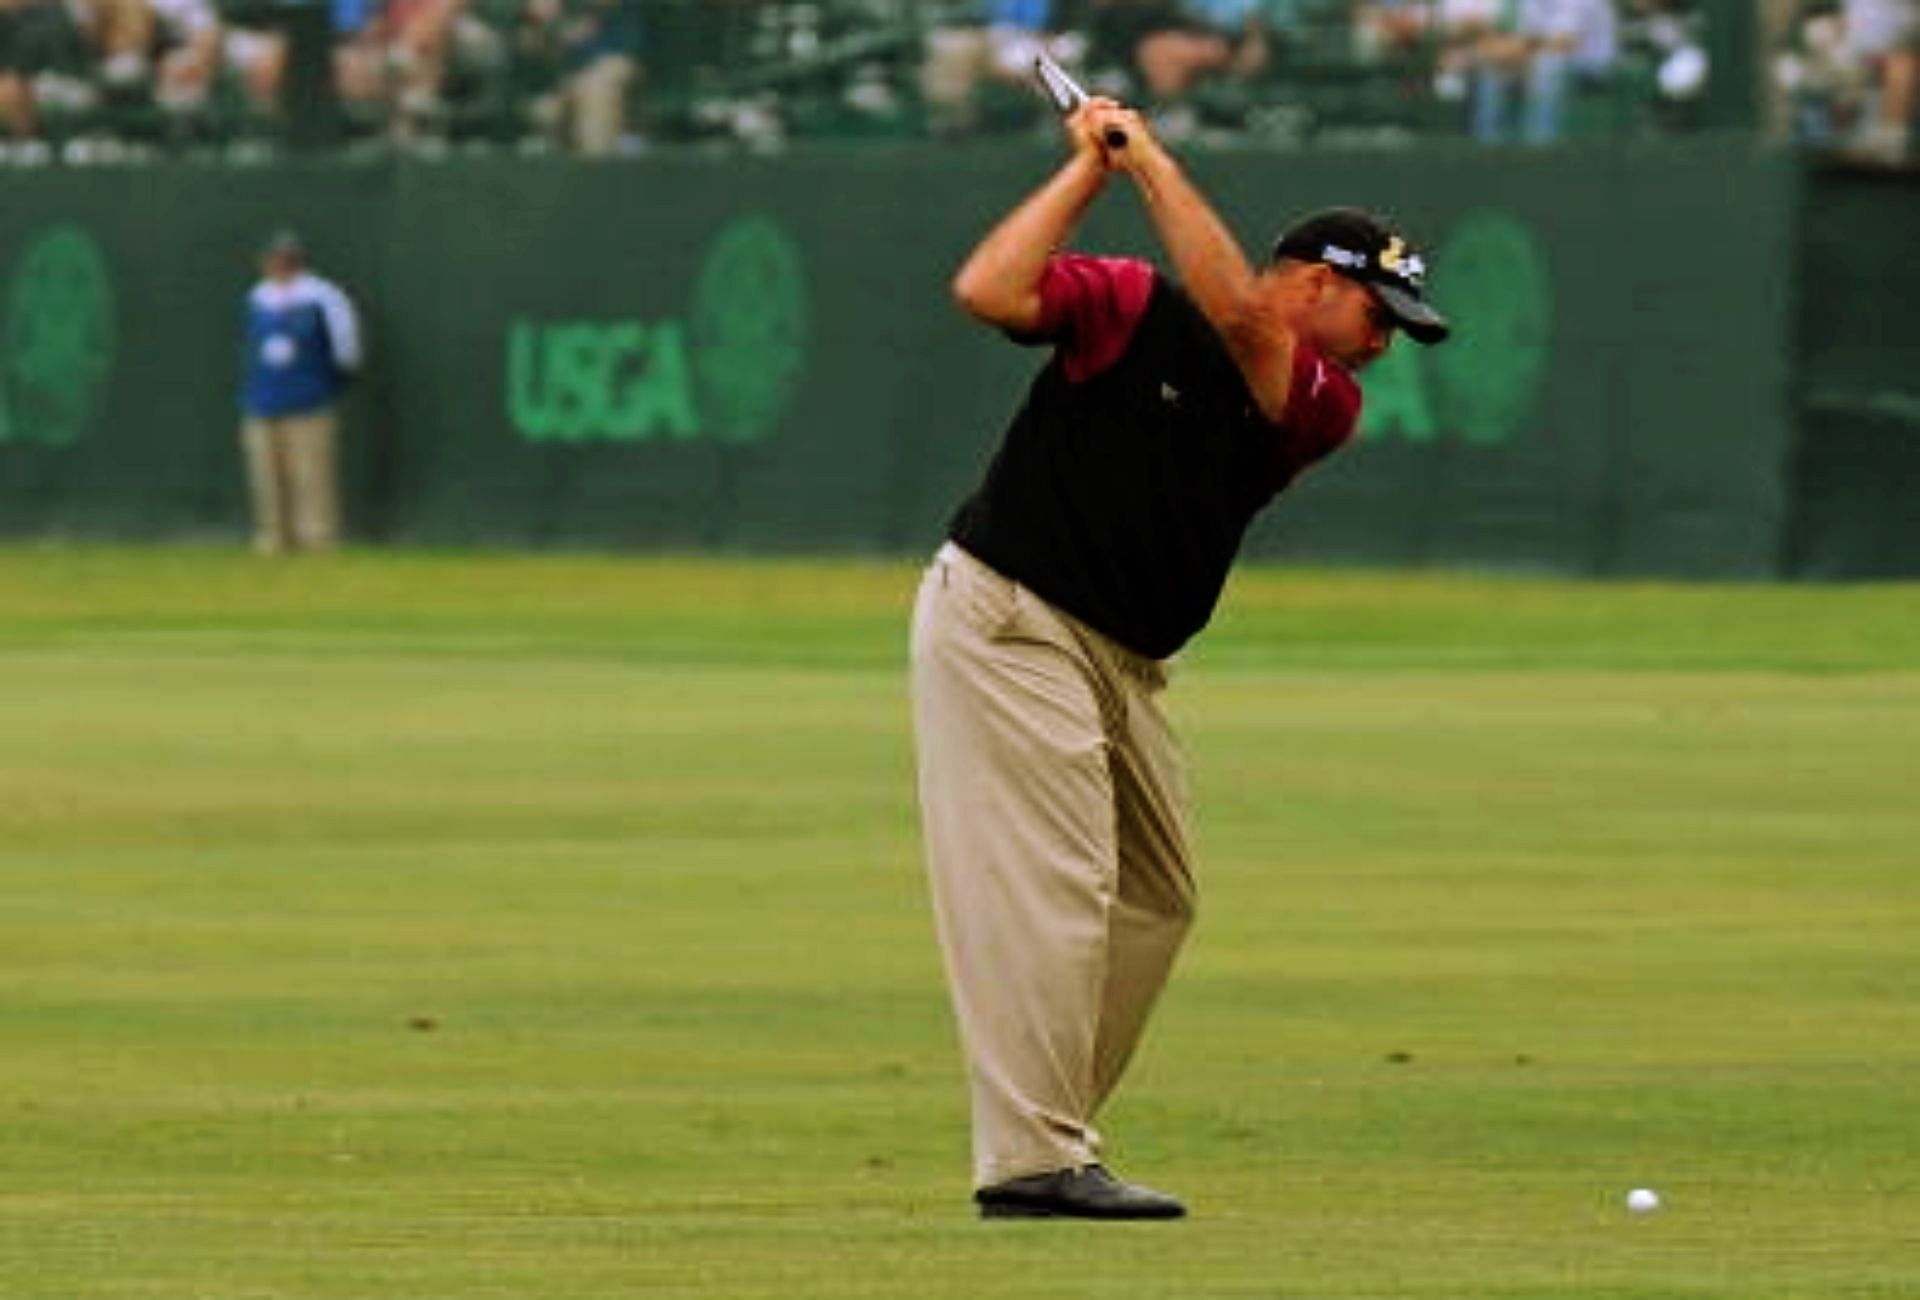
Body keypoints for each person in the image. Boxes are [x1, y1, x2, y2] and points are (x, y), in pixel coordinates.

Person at [909, 91, 1449, 1219]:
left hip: (1127, 656)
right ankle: (1033, 1156)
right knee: (1062, 886)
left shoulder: (1319, 398)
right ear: (1315, 280)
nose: (1386, 341)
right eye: (1378, 311)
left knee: (1157, 897)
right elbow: (985, 290)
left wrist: (1150, 160)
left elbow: (1242, 326)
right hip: (1011, 618)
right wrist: (1090, 172)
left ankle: (1048, 1134)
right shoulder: (1126, 300)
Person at [238, 230, 362, 555]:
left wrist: (328, 384)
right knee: (267, 476)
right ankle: (274, 539)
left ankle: (318, 539)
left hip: (309, 399)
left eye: (285, 258)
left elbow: (346, 349)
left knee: (311, 476)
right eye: (272, 258)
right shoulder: (258, 298)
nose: (278, 265)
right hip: (264, 399)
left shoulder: (322, 297)